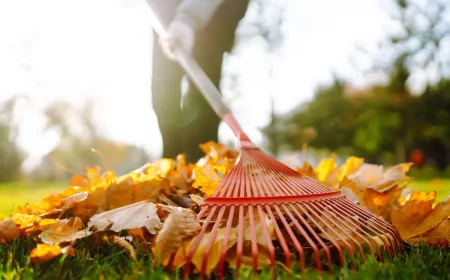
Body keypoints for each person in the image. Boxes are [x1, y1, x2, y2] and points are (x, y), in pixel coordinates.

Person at [146, 0, 249, 163]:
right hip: (163, 15)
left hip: (214, 14)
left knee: (201, 102)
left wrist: (188, 18)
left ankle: (204, 166)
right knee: (163, 94)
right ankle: (172, 165)